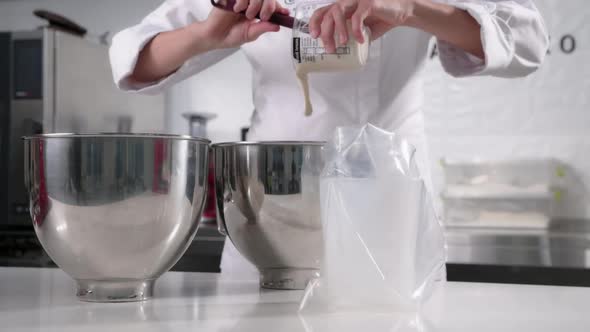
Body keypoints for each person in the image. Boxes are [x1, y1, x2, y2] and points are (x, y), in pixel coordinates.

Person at [109, 0, 549, 276]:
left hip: (388, 208)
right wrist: (204, 35)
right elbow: (132, 62)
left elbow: (529, 41)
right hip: (270, 212)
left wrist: (412, 9)